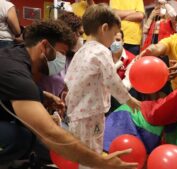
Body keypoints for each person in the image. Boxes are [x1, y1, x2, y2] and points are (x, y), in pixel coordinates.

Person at [0, 19, 137, 169]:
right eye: (61, 53)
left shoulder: (17, 54)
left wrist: (42, 95)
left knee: (54, 146)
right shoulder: (14, 72)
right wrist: (101, 162)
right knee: (23, 138)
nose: (62, 61)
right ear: (44, 46)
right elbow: (49, 133)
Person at [64, 4, 141, 168]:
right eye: (114, 34)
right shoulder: (102, 51)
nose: (114, 40)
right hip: (91, 114)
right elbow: (112, 80)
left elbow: (69, 78)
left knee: (83, 155)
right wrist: (128, 100)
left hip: (76, 114)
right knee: (93, 156)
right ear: (104, 28)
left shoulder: (82, 51)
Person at [38, 11, 84, 98]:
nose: (81, 38)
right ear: (70, 33)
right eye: (80, 34)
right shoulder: (50, 55)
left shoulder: (73, 58)